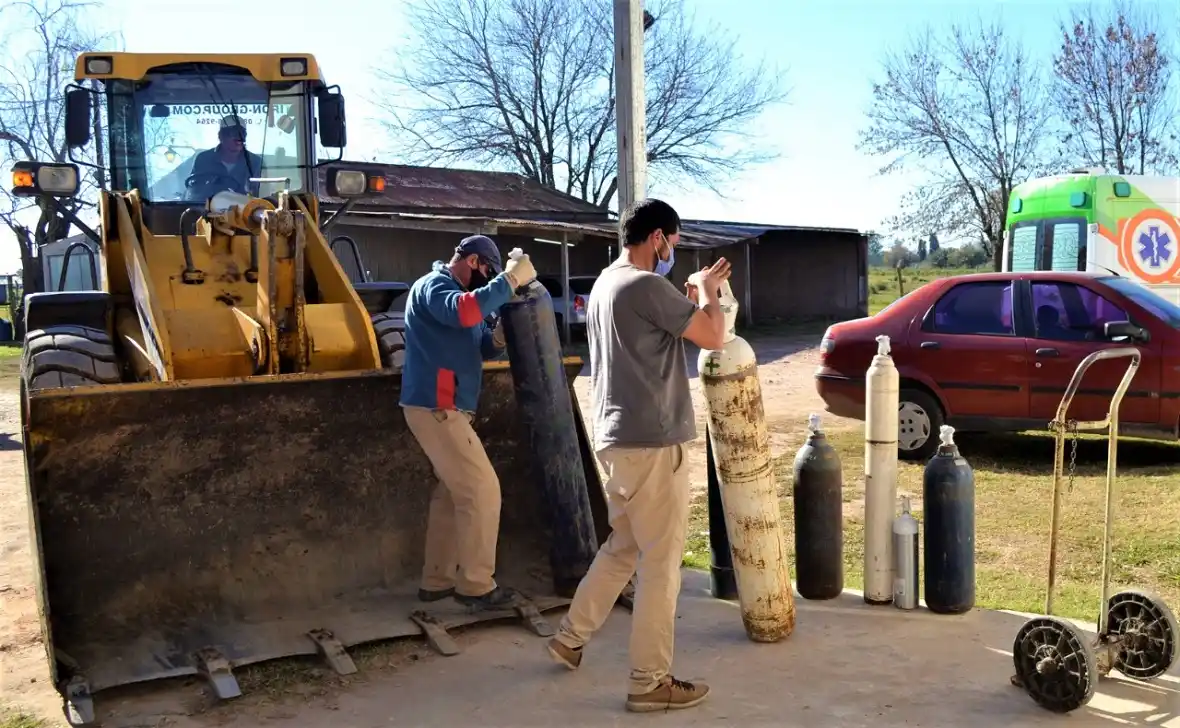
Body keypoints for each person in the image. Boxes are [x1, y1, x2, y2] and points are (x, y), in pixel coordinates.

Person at [545, 199, 732, 712]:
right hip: (653, 441)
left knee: (623, 547)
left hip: (616, 439)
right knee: (661, 562)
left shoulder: (608, 283)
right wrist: (710, 292)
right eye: (673, 242)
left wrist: (687, 299)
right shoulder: (647, 286)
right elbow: (715, 337)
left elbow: (655, 333)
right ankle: (649, 681)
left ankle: (570, 636)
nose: (673, 251)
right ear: (657, 238)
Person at [400, 234, 538, 610]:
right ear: (473, 261)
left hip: (445, 406)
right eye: (488, 272)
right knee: (482, 490)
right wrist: (509, 280)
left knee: (453, 493)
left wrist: (498, 336)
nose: (488, 278)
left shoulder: (462, 295)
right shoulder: (434, 286)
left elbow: (481, 344)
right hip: (437, 405)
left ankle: (437, 580)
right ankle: (476, 586)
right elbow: (463, 312)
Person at [187, 115, 264, 199]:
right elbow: (194, 193)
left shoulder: (255, 163)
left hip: (245, 207)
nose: (239, 138)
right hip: (207, 206)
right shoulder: (203, 160)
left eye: (242, 134)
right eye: (233, 134)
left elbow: (262, 196)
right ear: (220, 136)